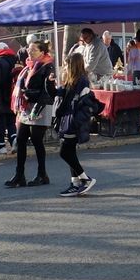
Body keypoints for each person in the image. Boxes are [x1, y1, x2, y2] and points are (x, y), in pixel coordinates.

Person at [5, 40, 55, 188]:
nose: (30, 52)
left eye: (34, 50)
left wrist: (30, 95)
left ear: (42, 52)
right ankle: (19, 175)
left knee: (36, 139)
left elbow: (48, 90)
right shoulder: (28, 67)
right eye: (29, 49)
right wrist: (24, 93)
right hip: (27, 106)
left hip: (40, 106)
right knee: (20, 139)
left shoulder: (47, 66)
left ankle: (42, 174)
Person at [53, 52, 98, 197]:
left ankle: (85, 178)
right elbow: (59, 95)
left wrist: (76, 120)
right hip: (68, 119)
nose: (64, 68)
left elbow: (84, 103)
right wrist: (50, 83)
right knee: (70, 152)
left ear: (73, 66)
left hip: (73, 122)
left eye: (66, 65)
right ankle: (75, 183)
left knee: (64, 152)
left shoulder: (81, 82)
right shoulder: (71, 81)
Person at [0, 42, 18, 154]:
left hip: (0, 96)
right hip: (12, 96)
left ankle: (0, 147)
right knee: (11, 122)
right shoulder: (15, 60)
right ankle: (14, 140)